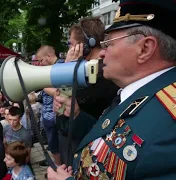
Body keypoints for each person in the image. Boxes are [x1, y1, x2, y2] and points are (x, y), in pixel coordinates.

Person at [48, 1, 176, 179]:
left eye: (109, 43)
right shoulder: (137, 92)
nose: (101, 52)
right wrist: (77, 115)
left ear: (145, 48)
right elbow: (111, 137)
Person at [57, 17, 119, 165]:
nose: (68, 49)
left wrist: (66, 71)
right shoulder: (89, 71)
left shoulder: (98, 75)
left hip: (86, 147)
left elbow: (62, 112)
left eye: (70, 44)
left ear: (85, 45)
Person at [35, 45, 63, 166]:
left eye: (41, 60)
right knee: (53, 145)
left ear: (49, 56)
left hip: (55, 117)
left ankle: (59, 169)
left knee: (55, 146)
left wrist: (43, 85)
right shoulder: (51, 68)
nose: (40, 64)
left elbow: (61, 92)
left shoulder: (61, 68)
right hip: (49, 116)